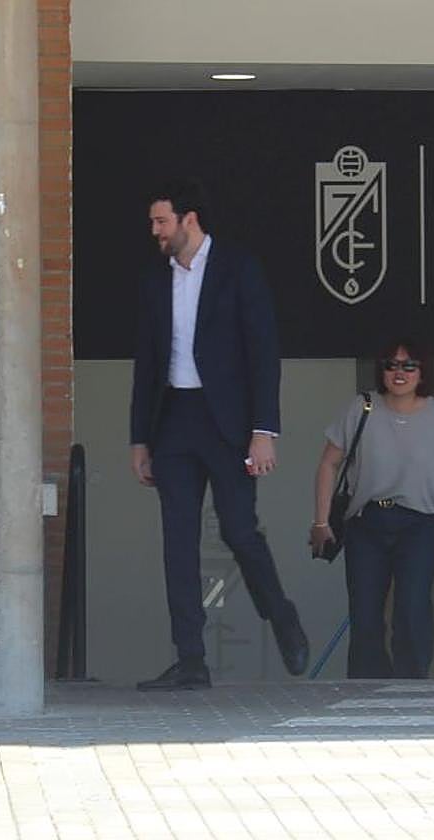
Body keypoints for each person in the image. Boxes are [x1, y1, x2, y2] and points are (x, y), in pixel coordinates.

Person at [130, 177, 308, 690]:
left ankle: (281, 615)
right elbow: (146, 364)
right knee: (178, 542)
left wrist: (263, 430)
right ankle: (191, 659)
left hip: (226, 421)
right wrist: (140, 439)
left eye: (162, 221)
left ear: (190, 219)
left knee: (239, 530)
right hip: (174, 420)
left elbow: (263, 352)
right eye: (152, 222)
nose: (155, 231)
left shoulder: (237, 268)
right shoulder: (154, 278)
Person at [311, 339, 434, 678]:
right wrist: (321, 521)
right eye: (391, 365)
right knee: (365, 613)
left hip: (420, 523)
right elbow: (328, 464)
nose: (399, 372)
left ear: (423, 373)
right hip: (368, 521)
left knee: (412, 606)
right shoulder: (362, 407)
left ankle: (411, 686)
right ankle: (366, 689)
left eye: (409, 365)